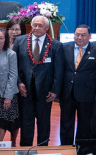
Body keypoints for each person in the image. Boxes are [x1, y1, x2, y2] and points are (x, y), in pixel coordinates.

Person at [14, 15, 64, 147]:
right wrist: (18, 82)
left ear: (47, 28)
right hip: (25, 89)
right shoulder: (19, 41)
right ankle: (25, 149)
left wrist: (55, 90)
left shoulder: (56, 45)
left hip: (45, 91)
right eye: (34, 25)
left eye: (40, 25)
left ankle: (43, 149)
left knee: (43, 122)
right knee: (26, 122)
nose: (36, 28)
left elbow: (59, 71)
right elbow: (14, 65)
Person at [60, 25, 96, 154]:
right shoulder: (64, 48)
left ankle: (81, 150)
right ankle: (65, 148)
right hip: (68, 92)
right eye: (77, 35)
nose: (80, 37)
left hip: (88, 94)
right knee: (66, 123)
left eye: (83, 35)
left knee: (85, 123)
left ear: (90, 36)